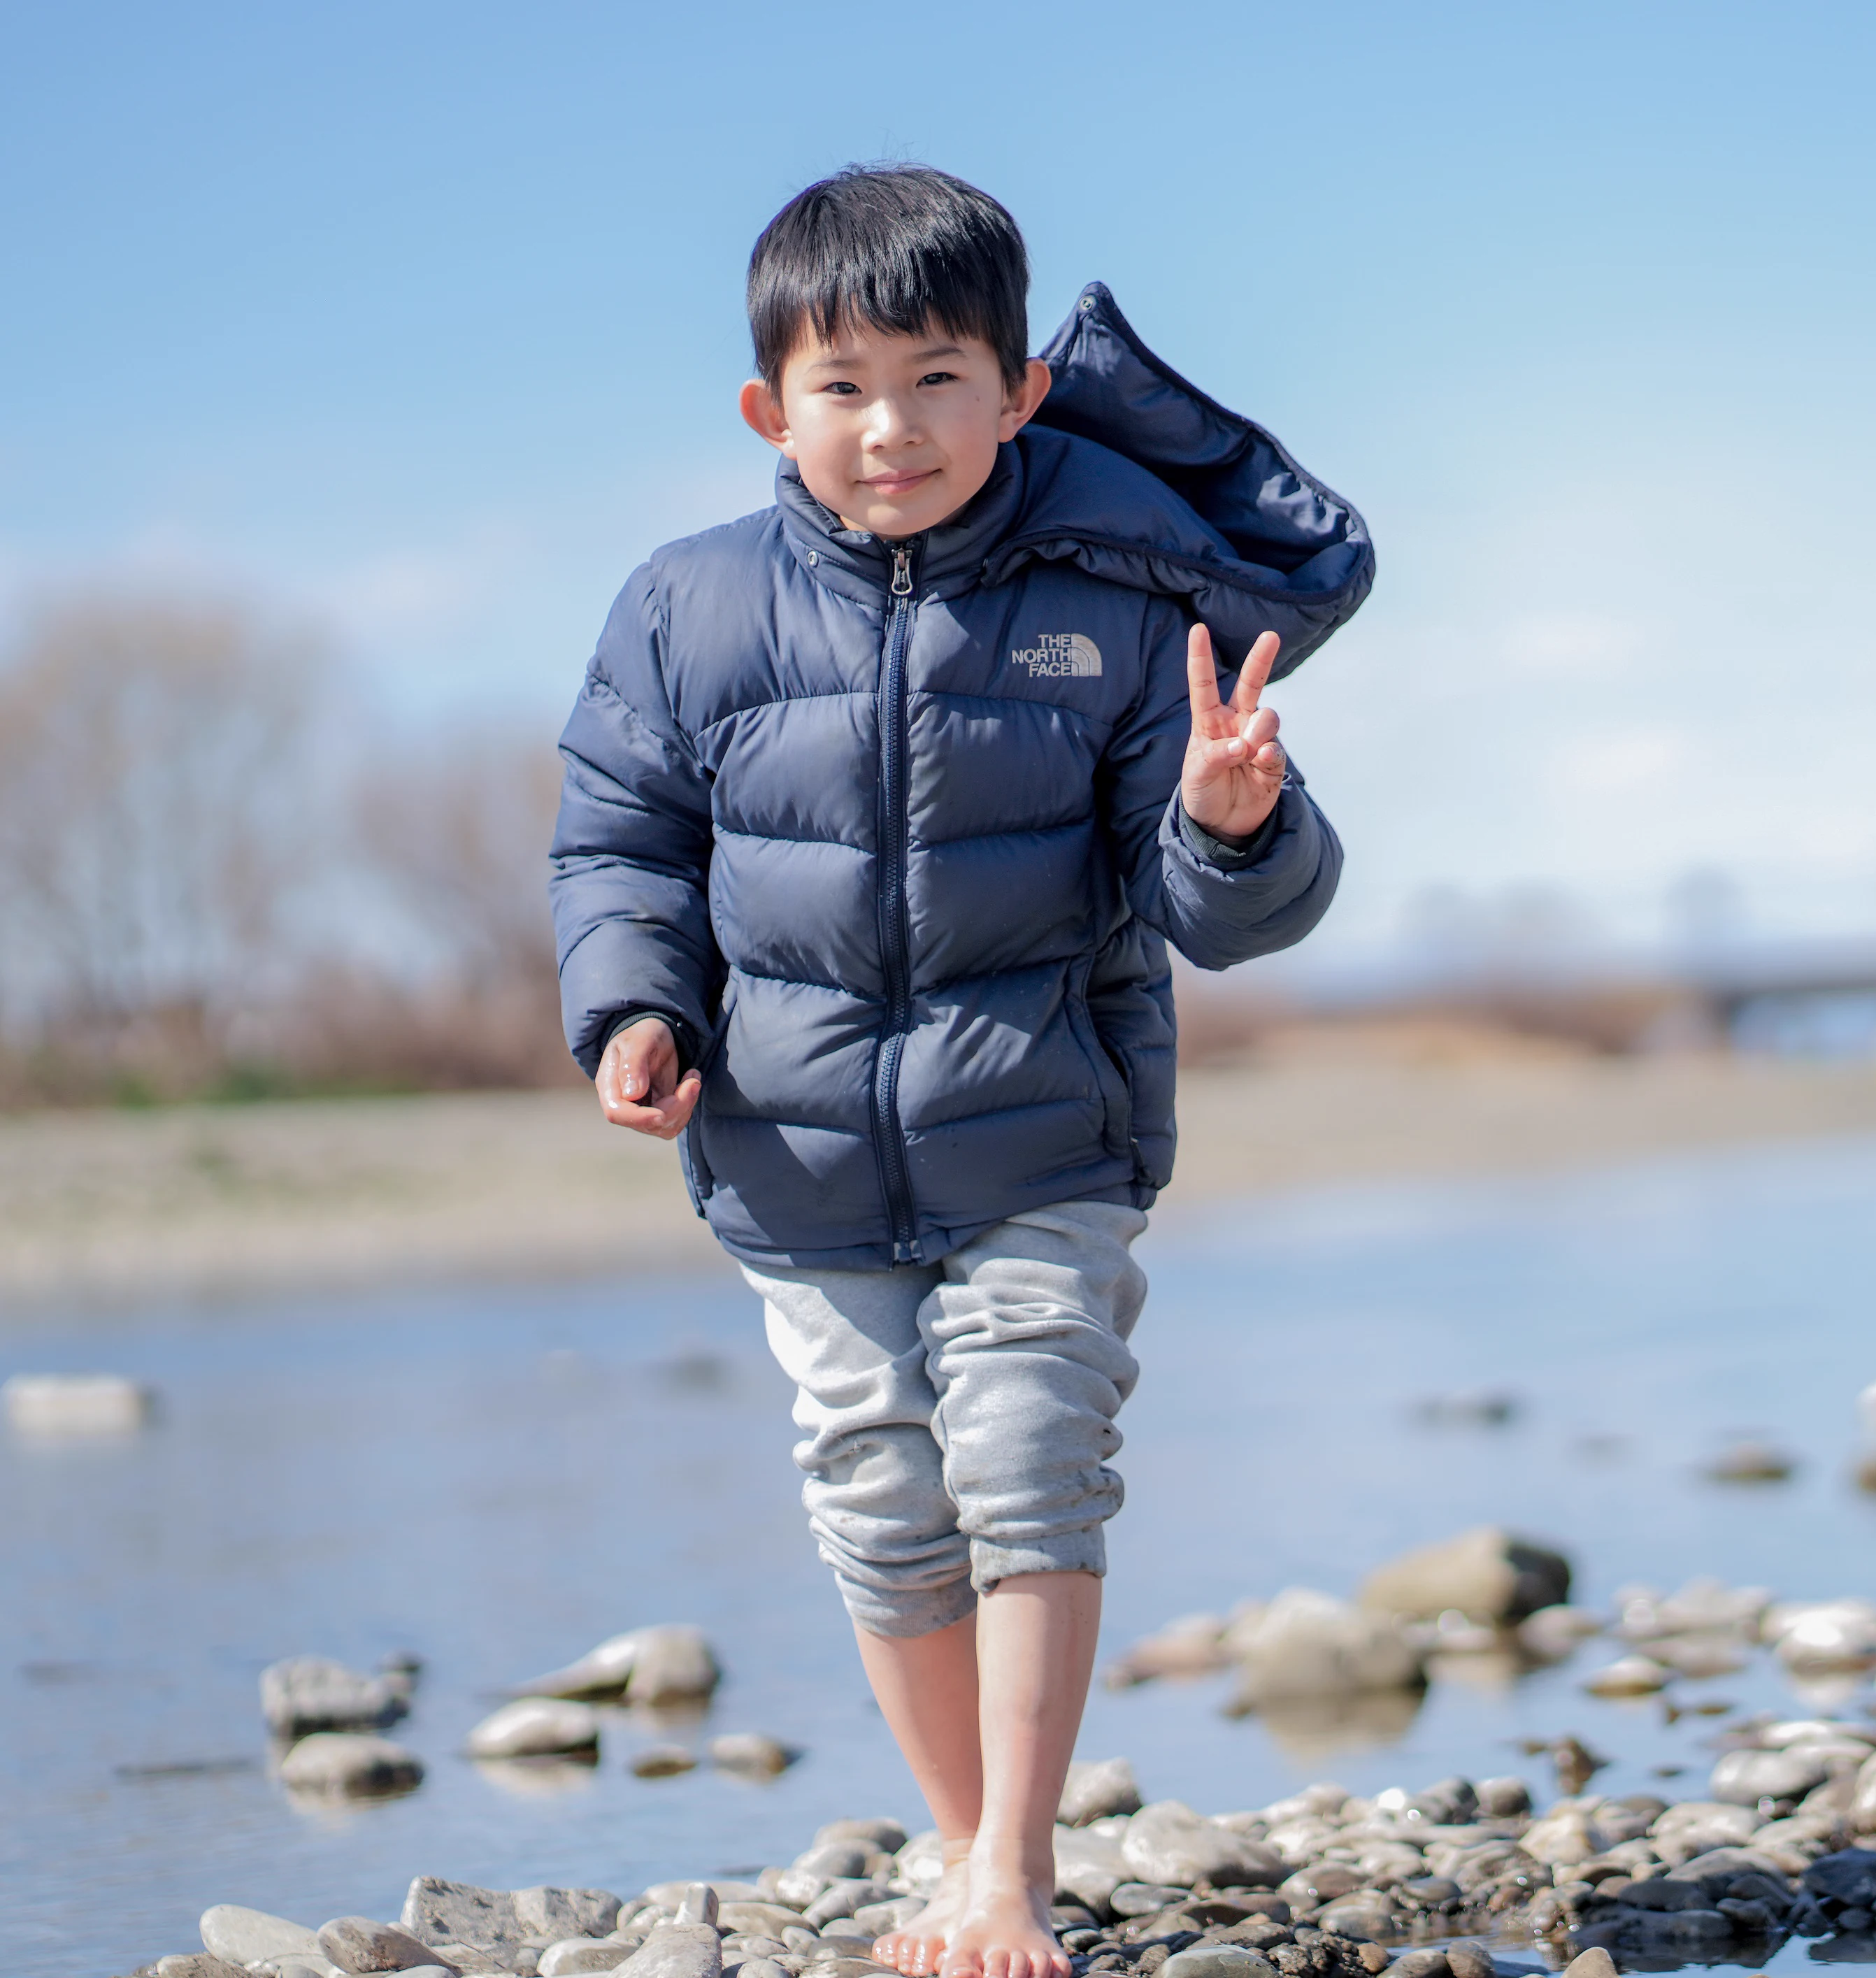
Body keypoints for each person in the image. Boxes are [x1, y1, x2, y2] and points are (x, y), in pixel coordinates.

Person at [547, 164, 1368, 1978]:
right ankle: (952, 1835)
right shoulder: (686, 610)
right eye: (842, 387)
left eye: (938, 378)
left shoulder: (1117, 605)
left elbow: (1220, 918)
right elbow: (616, 844)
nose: (892, 428)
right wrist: (629, 1009)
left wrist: (1236, 820)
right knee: (874, 1488)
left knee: (1025, 1458)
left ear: (1021, 391)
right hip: (794, 1149)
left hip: (1046, 1133)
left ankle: (1010, 1863)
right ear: (772, 409)